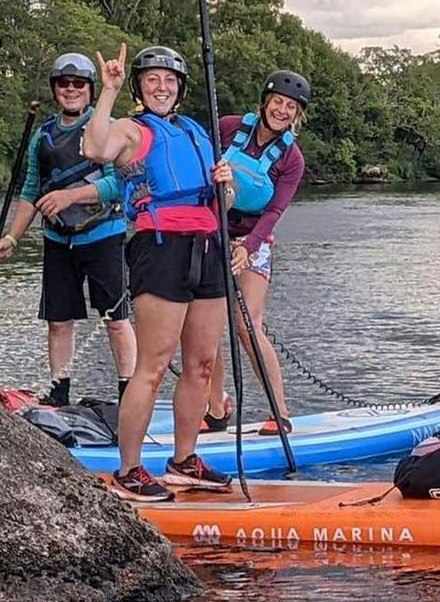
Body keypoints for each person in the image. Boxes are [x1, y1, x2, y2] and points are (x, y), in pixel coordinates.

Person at [83, 43, 235, 501]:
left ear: (181, 89)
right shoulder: (131, 130)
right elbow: (94, 148)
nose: (162, 87)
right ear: (140, 87)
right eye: (152, 80)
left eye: (169, 81)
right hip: (160, 246)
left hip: (206, 246)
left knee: (202, 364)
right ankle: (129, 470)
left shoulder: (195, 132)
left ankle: (184, 460)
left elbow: (223, 202)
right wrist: (106, 91)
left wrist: (227, 187)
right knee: (151, 366)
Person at [0, 53, 137, 404]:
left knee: (115, 319)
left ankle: (130, 396)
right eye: (64, 84)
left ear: (89, 89)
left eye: (79, 84)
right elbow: (31, 190)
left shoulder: (107, 129)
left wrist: (70, 196)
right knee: (58, 321)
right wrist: (11, 237)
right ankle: (59, 395)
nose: (71, 90)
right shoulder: (43, 136)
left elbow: (118, 184)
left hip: (103, 236)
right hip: (58, 240)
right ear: (56, 90)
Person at [203, 71, 310, 434]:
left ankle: (279, 412)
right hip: (212, 232)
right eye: (278, 102)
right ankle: (216, 409)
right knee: (208, 327)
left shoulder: (291, 159)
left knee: (248, 326)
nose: (282, 110)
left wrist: (247, 248)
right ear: (265, 102)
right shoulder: (229, 128)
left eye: (290, 107)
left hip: (254, 240)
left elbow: (274, 211)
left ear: (297, 115)